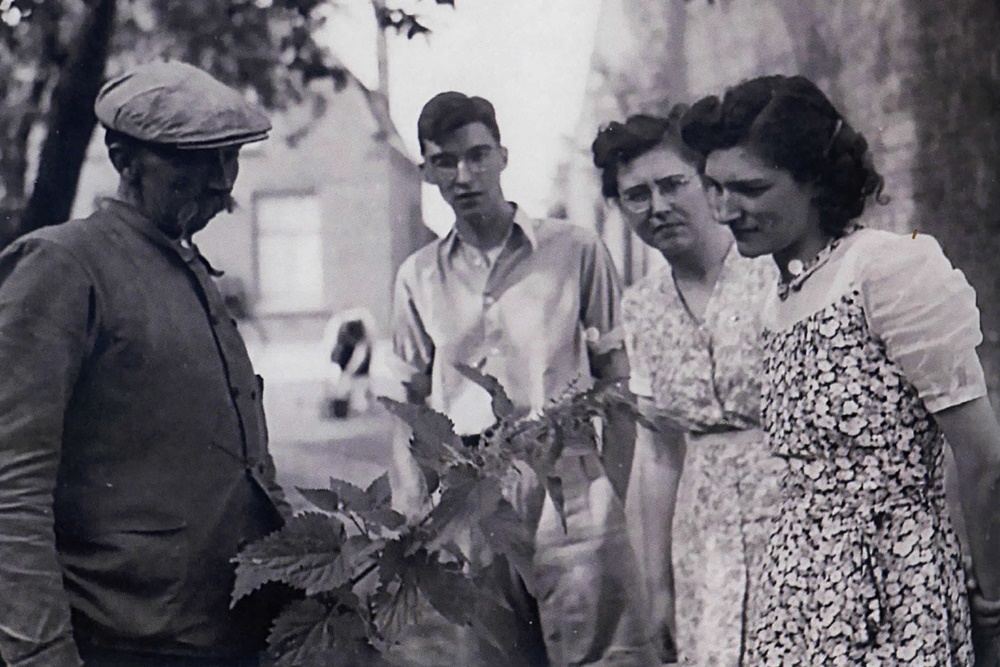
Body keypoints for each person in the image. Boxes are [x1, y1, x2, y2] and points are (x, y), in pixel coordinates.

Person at [681, 73, 1000, 665]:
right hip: (800, 589)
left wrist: (994, 603)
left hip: (895, 583)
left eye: (750, 188)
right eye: (714, 188)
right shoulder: (778, 296)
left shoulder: (888, 270)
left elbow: (983, 459)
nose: (726, 211)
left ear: (816, 182)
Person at [0, 61, 291, 667]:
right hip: (123, 644)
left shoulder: (191, 272)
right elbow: (11, 483)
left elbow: (245, 470)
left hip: (226, 636)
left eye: (229, 156)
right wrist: (41, 654)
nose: (220, 181)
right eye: (192, 158)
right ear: (123, 158)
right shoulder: (63, 266)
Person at [388, 91, 655, 666]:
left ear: (503, 156)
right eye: (446, 161)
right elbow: (407, 399)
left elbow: (617, 372)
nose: (465, 175)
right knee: (496, 655)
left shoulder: (576, 250)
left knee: (605, 652)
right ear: (426, 171)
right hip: (472, 491)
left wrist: (610, 484)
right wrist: (414, 502)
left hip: (570, 478)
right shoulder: (417, 278)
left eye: (478, 155)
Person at [591, 107, 785, 666]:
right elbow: (657, 453)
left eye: (673, 184)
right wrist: (658, 585)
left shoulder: (773, 271)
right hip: (704, 540)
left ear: (706, 182)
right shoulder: (642, 306)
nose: (658, 207)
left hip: (795, 514)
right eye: (636, 195)